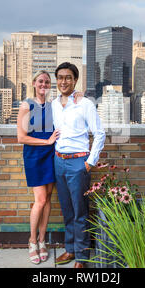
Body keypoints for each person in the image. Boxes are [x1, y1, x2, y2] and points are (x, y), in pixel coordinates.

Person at [17, 70, 84, 265]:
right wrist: (46, 142)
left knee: (47, 201)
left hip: (51, 156)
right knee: (40, 200)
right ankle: (31, 241)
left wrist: (78, 94)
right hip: (35, 157)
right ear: (34, 83)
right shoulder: (26, 105)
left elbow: (71, 103)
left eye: (47, 82)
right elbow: (21, 137)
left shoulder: (54, 105)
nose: (43, 85)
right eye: (40, 81)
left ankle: (42, 240)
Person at [52, 62, 106, 268]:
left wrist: (90, 162)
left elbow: (99, 133)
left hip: (78, 163)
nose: (63, 81)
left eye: (68, 77)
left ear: (75, 80)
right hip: (59, 161)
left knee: (80, 211)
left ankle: (82, 257)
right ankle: (70, 249)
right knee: (67, 209)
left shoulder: (85, 104)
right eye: (60, 77)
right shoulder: (55, 104)